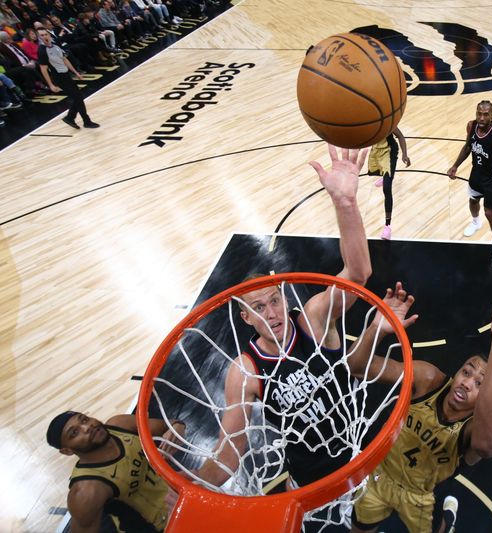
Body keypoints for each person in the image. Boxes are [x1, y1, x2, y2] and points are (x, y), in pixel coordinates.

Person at [195, 145, 372, 488]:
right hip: (307, 476)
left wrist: (345, 202)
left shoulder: (313, 321)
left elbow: (358, 273)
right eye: (258, 308)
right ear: (245, 318)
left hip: (357, 450)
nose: (272, 313)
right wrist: (194, 487)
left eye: (274, 300)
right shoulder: (246, 370)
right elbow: (229, 452)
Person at [349, 280, 492, 533]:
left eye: (479, 383)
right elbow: (356, 367)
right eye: (466, 372)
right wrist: (377, 328)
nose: (467, 383)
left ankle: (448, 518)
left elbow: (488, 445)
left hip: (424, 497)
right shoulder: (428, 380)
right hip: (380, 476)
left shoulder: (473, 430)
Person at [47, 411, 185, 533]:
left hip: (179, 490)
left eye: (84, 419)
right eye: (74, 433)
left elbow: (169, 425)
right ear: (67, 451)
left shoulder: (120, 424)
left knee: (207, 469)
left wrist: (178, 427)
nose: (87, 427)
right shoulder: (86, 491)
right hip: (163, 527)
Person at [447, 100, 492, 266]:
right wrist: (455, 166)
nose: (482, 117)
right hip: (477, 172)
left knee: (490, 213)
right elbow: (467, 147)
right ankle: (476, 222)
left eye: (486, 114)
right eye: (479, 113)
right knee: (473, 200)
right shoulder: (471, 126)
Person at [37, 28, 100, 130]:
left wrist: (75, 72)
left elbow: (65, 59)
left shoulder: (56, 46)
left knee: (78, 97)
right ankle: (85, 121)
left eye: (45, 34)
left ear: (49, 35)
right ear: (39, 37)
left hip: (66, 74)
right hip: (59, 77)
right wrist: (51, 85)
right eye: (42, 35)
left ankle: (71, 118)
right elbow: (43, 69)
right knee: (78, 97)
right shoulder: (42, 50)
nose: (44, 37)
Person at [369, 127, 410, 240]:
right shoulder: (368, 122)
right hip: (377, 150)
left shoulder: (387, 122)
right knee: (381, 172)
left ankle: (387, 227)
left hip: (390, 152)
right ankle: (386, 177)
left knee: (387, 188)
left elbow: (400, 136)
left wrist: (404, 154)